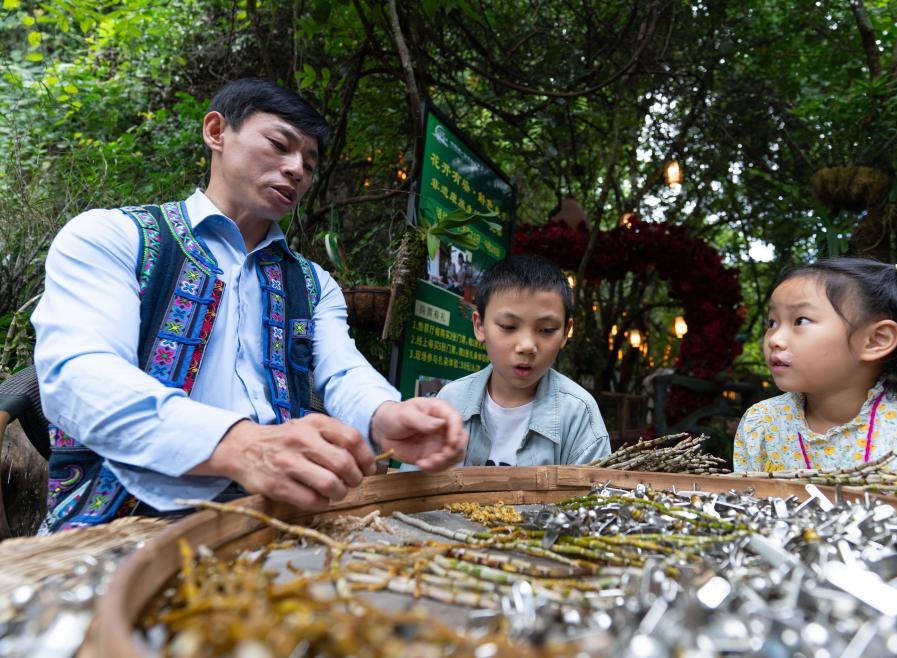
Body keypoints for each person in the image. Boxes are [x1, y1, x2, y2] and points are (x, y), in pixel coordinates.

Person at [31, 78, 466, 534]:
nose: (297, 169)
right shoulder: (114, 238)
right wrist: (239, 444)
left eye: (310, 164)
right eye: (280, 144)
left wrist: (385, 415)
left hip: (275, 518)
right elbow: (79, 374)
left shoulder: (314, 283)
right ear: (217, 131)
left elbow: (342, 371)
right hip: (116, 520)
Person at [733, 256, 897, 510]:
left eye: (801, 320)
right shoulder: (762, 423)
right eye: (772, 322)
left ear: (876, 340)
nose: (775, 338)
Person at [415, 254, 611, 467]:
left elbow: (595, 497)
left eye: (547, 330)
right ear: (479, 326)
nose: (527, 346)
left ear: (565, 332)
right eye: (509, 326)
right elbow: (417, 490)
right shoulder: (450, 401)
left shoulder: (578, 414)